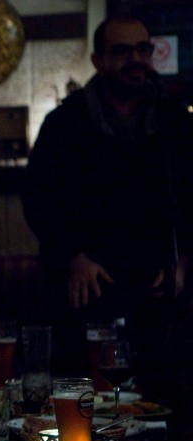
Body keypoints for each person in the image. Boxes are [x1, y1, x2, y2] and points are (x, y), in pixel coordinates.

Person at [22, 14, 193, 396]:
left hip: (159, 282)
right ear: (98, 60)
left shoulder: (173, 122)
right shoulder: (66, 122)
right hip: (91, 282)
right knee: (87, 388)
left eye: (143, 49)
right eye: (122, 51)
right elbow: (39, 197)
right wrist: (72, 256)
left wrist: (184, 259)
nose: (136, 60)